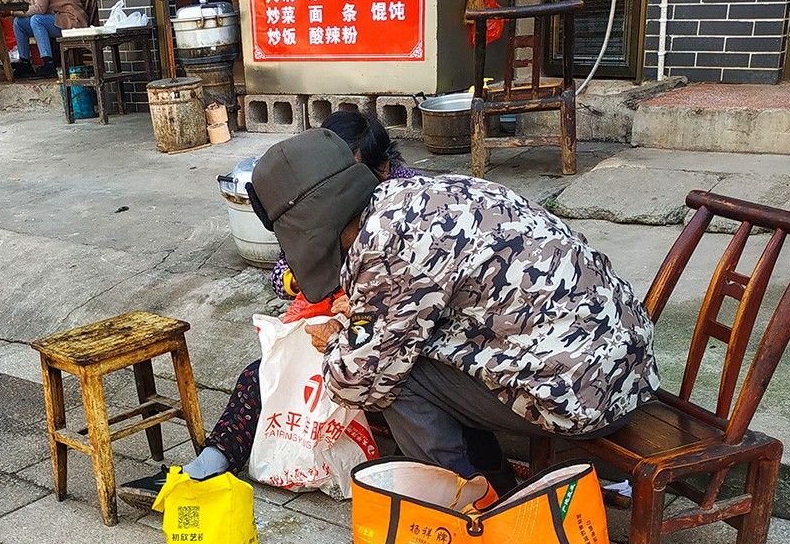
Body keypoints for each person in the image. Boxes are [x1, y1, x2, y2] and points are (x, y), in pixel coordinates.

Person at [238, 128, 659, 483]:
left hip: (586, 397)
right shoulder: (415, 192)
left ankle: (468, 504)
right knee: (408, 352)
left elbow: (358, 380)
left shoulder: (382, 245)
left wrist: (335, 343)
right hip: (628, 368)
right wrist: (370, 320)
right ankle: (494, 480)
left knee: (393, 381)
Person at [121, 115, 446, 507]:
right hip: (330, 316)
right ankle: (205, 469)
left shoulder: (400, 205)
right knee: (263, 375)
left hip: (404, 326)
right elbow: (283, 272)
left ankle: (439, 493)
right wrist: (319, 287)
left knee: (380, 375)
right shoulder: (316, 207)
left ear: (379, 168)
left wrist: (354, 307)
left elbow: (392, 328)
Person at [269, 110, 421, 300]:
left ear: (383, 168)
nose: (337, 185)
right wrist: (298, 279)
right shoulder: (316, 197)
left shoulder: (409, 200)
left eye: (348, 175)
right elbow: (280, 273)